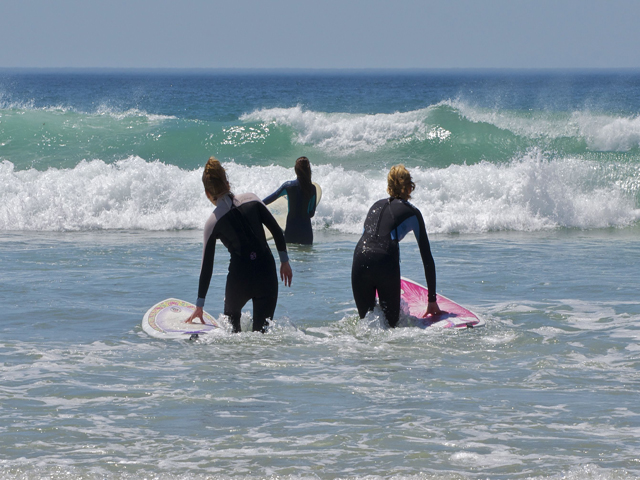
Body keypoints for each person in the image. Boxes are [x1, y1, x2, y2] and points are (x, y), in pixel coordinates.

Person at [186, 157, 293, 333]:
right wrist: (284, 261)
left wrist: (200, 304)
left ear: (207, 193)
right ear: (227, 182)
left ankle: (238, 362)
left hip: (239, 279)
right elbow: (277, 231)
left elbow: (207, 266)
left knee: (232, 335)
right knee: (262, 335)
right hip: (266, 273)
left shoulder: (212, 222)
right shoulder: (252, 199)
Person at [351, 164, 442, 328]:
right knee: (392, 328)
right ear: (410, 187)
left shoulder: (374, 206)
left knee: (366, 325)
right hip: (385, 260)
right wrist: (432, 300)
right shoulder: (413, 212)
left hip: (359, 257)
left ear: (389, 186)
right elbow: (427, 258)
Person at [263, 156, 318, 245]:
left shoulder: (288, 186)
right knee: (307, 257)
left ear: (296, 170)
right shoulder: (312, 189)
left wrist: (256, 204)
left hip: (291, 230)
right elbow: (311, 213)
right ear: (309, 171)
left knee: (291, 257)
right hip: (306, 232)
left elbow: (271, 198)